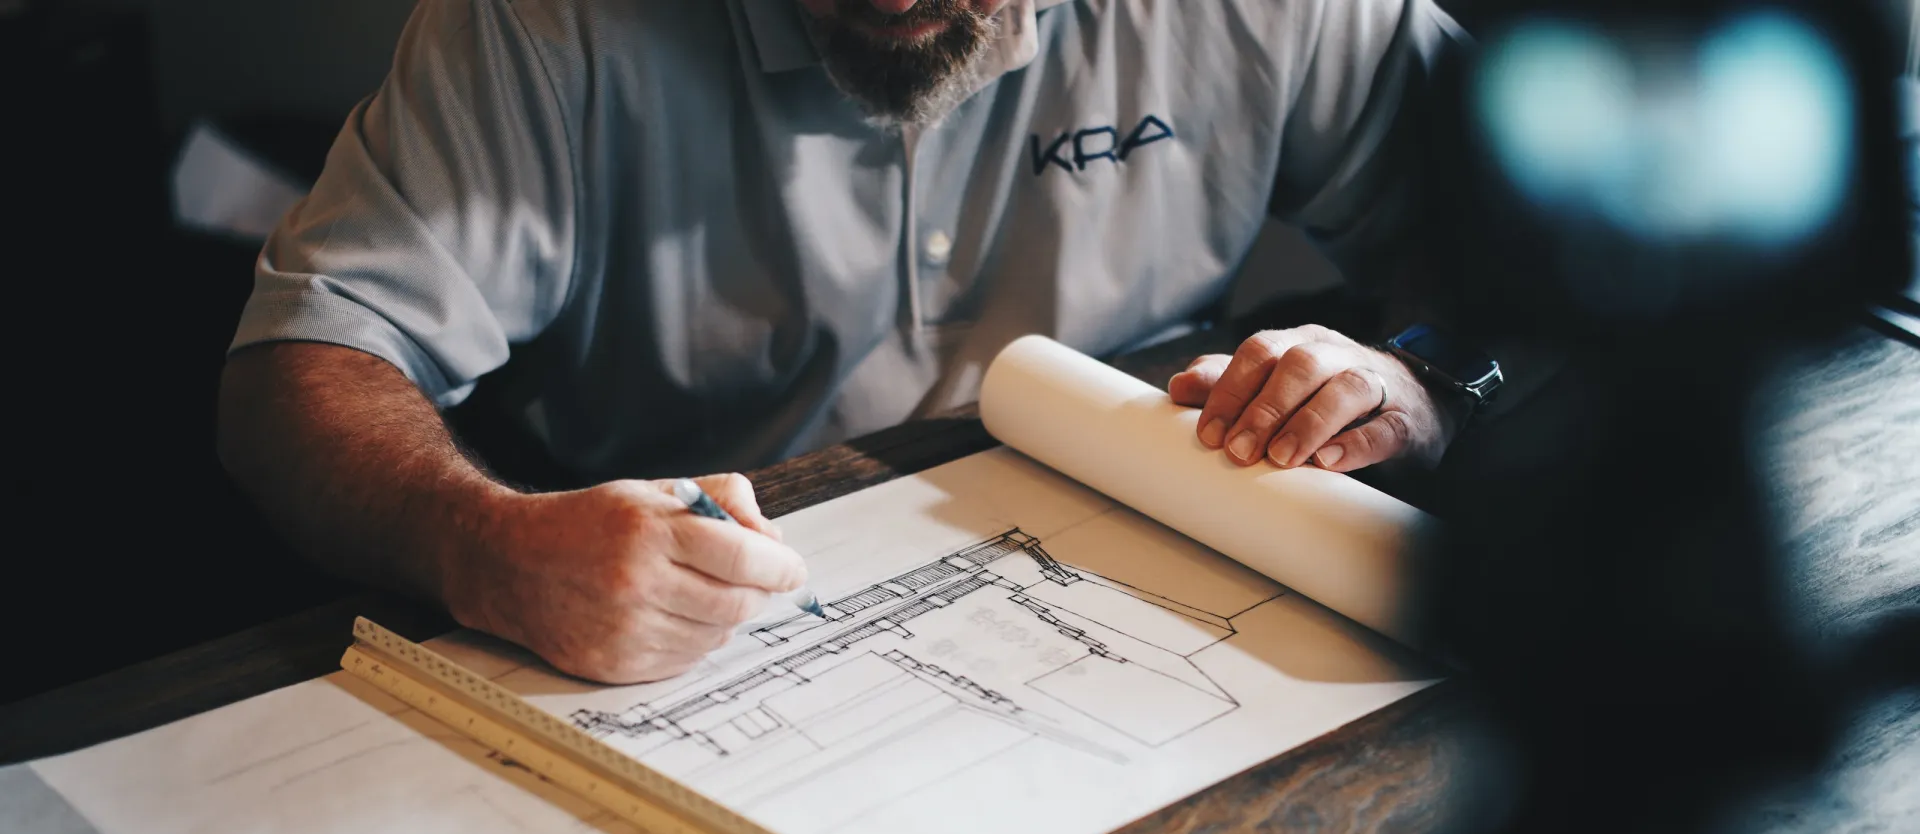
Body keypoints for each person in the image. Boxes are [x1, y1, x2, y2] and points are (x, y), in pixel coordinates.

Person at [218, 0, 1466, 684]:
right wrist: (479, 544)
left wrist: (1423, 374)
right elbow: (301, 368)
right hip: (694, 621)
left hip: (1180, 613)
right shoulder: (542, 29)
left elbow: (1575, 250)